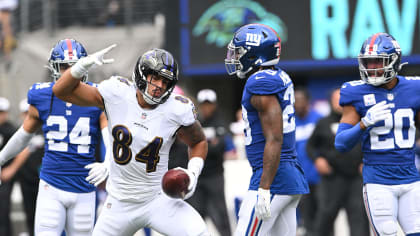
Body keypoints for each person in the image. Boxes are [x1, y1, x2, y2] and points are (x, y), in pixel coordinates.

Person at [52, 47, 210, 236]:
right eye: (155, 77)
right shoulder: (117, 93)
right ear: (142, 74)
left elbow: (199, 141)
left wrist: (193, 173)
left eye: (165, 81)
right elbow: (61, 91)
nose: (160, 85)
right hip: (119, 202)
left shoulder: (176, 109)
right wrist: (81, 66)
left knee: (199, 233)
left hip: (157, 198)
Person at [0, 39, 110, 236]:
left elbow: (109, 137)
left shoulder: (97, 96)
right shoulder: (42, 95)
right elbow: (24, 135)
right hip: (52, 185)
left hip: (84, 187)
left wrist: (108, 163)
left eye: (74, 65)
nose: (69, 71)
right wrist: (1, 158)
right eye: (64, 66)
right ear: (53, 68)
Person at [224, 23, 309, 236]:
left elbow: (275, 139)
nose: (235, 57)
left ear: (255, 54)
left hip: (274, 176)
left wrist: (264, 188)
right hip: (286, 174)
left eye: (239, 52)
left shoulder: (260, 82)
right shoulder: (278, 75)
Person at [335, 32, 420, 236]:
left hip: (411, 178)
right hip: (378, 181)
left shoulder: (415, 87)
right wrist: (364, 123)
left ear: (394, 61)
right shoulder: (355, 92)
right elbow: (341, 143)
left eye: (377, 62)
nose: (371, 68)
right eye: (367, 62)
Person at [307, 88, 369, 236]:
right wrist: (318, 160)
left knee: (359, 216)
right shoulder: (323, 122)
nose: (341, 103)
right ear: (331, 102)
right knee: (325, 216)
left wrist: (367, 161)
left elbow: (371, 143)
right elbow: (310, 146)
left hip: (356, 178)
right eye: (337, 100)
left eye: (343, 100)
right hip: (331, 179)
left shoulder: (361, 121)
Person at [188, 88, 235, 236]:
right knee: (196, 216)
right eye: (204, 104)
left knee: (221, 216)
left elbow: (220, 147)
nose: (207, 108)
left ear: (214, 105)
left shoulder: (220, 122)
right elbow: (187, 146)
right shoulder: (194, 122)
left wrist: (201, 145)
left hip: (215, 176)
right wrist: (208, 144)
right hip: (197, 177)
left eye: (209, 104)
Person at [0, 98, 44, 236]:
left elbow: (24, 151)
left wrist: (10, 168)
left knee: (44, 216)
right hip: (25, 178)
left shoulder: (45, 130)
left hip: (43, 178)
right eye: (26, 113)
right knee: (29, 212)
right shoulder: (19, 132)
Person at [293, 86, 323, 236]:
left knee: (323, 214)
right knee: (306, 216)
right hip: (300, 178)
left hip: (320, 176)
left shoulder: (318, 119)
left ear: (308, 101)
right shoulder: (290, 122)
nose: (298, 104)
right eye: (295, 101)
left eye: (301, 100)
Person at [0, 96, 17, 236]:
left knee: (3, 212)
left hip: (3, 177)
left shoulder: (10, 130)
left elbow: (24, 149)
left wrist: (11, 169)